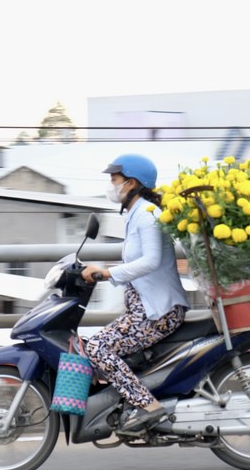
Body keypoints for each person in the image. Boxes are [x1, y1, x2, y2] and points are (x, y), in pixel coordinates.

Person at [81, 153, 190, 432]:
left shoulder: (147, 216)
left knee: (97, 347)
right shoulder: (137, 213)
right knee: (89, 344)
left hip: (158, 312)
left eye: (114, 178)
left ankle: (147, 406)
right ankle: (118, 404)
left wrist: (108, 273)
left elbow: (152, 260)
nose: (111, 184)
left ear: (130, 183)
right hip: (144, 311)